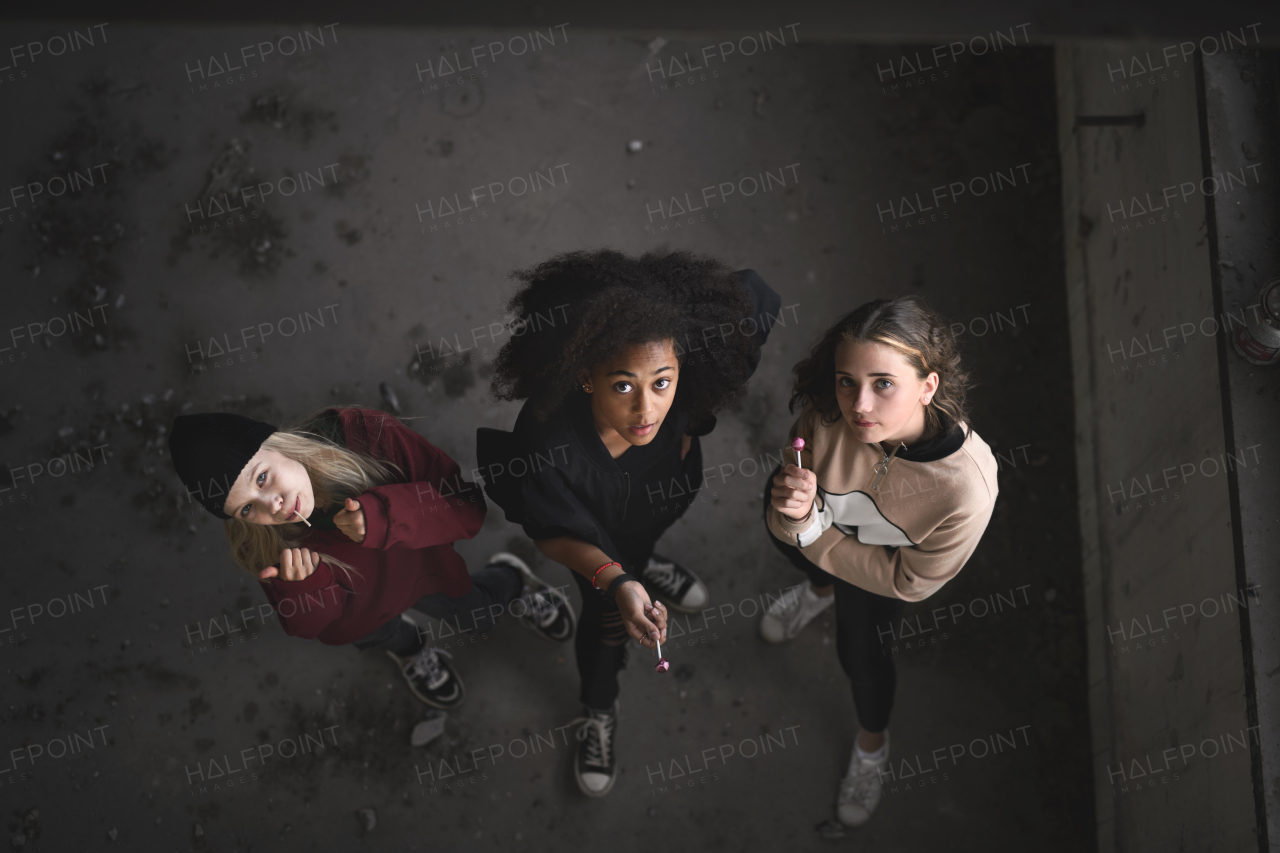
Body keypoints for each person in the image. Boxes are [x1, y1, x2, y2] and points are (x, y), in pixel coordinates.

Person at [478, 249, 781, 797]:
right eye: (623, 386)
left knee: (642, 544)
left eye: (662, 383)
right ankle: (598, 707)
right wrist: (618, 581)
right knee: (606, 629)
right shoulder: (547, 443)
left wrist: (690, 421)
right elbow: (554, 533)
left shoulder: (683, 381)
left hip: (659, 506)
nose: (647, 409)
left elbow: (753, 294)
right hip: (595, 549)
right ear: (585, 377)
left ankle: (646, 561)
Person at [761, 296, 998, 827]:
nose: (858, 404)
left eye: (883, 383)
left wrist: (810, 529)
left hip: (877, 581)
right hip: (818, 537)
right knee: (788, 548)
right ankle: (819, 591)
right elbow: (781, 521)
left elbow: (909, 582)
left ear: (928, 386)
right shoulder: (825, 414)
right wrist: (794, 515)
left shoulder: (966, 488)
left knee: (862, 657)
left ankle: (871, 747)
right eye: (848, 380)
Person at [167, 405, 575, 710]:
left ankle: (512, 580)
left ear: (275, 443)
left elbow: (466, 508)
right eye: (246, 508)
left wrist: (385, 517)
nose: (271, 506)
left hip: (423, 575)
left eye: (261, 477)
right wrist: (306, 588)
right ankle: (413, 651)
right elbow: (310, 625)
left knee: (476, 614)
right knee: (388, 637)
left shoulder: (365, 437)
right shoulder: (264, 541)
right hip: (363, 617)